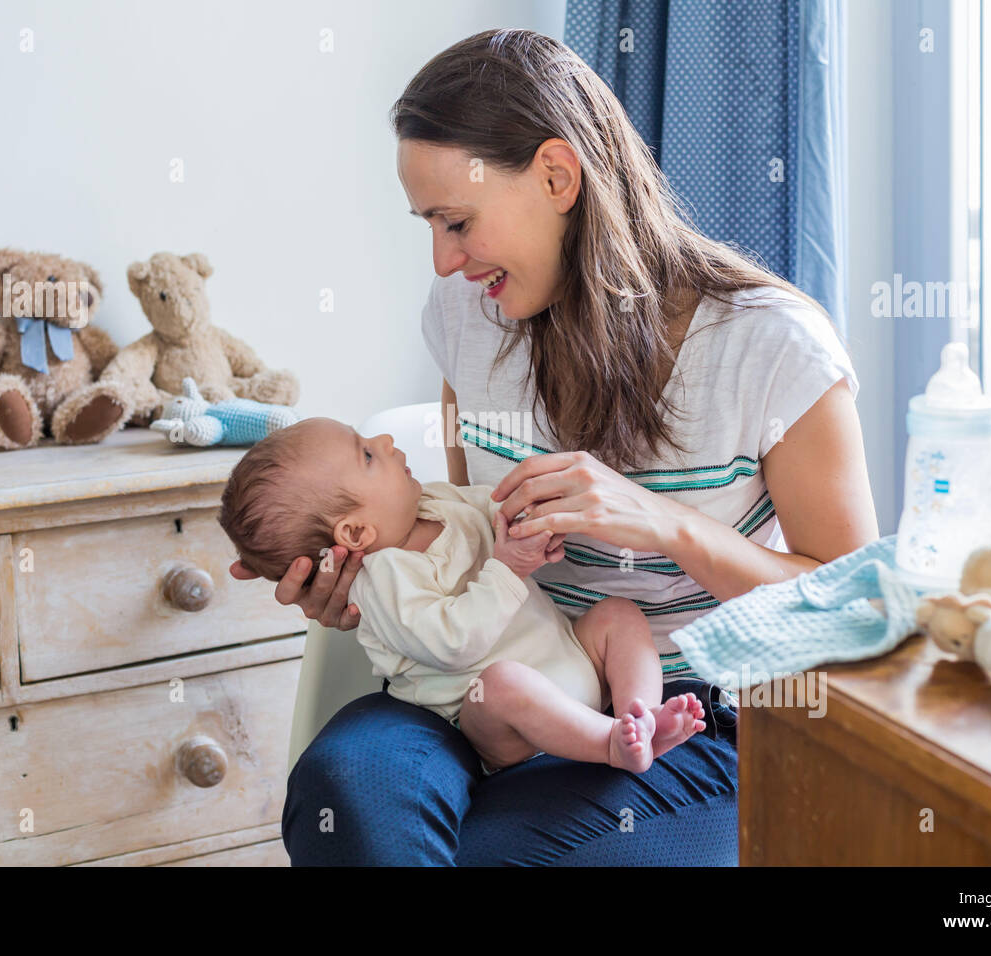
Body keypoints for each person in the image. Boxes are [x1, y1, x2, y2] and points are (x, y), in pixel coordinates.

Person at [231, 28, 879, 865]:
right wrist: (354, 585)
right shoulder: (468, 320)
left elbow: (857, 611)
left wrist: (665, 523)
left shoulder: (772, 347)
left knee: (504, 854)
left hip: (691, 709)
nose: (443, 258)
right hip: (492, 680)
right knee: (347, 791)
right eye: (429, 224)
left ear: (556, 175)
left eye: (456, 220)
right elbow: (465, 543)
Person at [216, 417, 707, 777]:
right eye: (367, 454)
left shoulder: (434, 501)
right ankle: (609, 746)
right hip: (498, 717)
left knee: (618, 616)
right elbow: (452, 644)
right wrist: (510, 566)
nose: (387, 441)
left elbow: (492, 511)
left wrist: (527, 530)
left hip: (570, 659)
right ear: (356, 531)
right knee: (502, 682)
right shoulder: (384, 578)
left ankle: (638, 716)